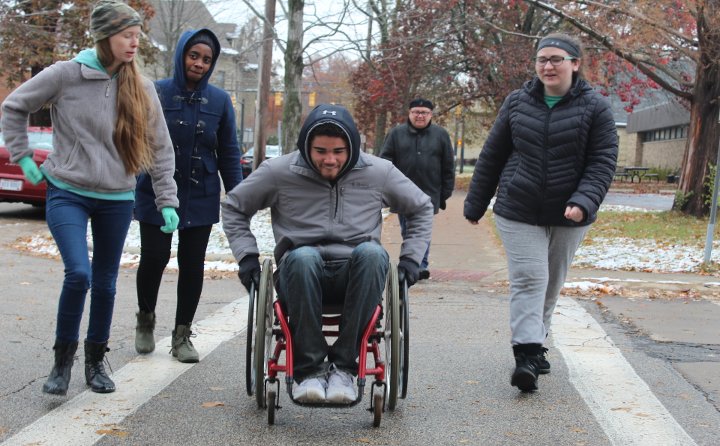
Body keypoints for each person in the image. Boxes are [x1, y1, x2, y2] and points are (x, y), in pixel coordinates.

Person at [0, 0, 179, 395]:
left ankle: (95, 363)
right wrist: (23, 157)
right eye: (126, 36)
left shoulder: (142, 87)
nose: (134, 43)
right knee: (79, 273)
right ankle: (61, 362)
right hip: (68, 191)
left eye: (137, 36)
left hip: (117, 197)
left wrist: (167, 200)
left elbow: (161, 148)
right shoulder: (66, 75)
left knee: (106, 282)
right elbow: (14, 107)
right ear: (104, 37)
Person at [222, 104, 433, 404]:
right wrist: (246, 258)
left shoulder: (379, 172)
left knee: (374, 254)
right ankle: (308, 369)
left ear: (353, 148)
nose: (329, 160)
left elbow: (421, 207)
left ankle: (345, 368)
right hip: (300, 273)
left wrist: (411, 259)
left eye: (338, 151)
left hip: (357, 274)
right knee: (303, 256)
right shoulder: (279, 172)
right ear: (306, 145)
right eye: (320, 151)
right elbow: (233, 207)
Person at [463, 33, 617, 392]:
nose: (548, 66)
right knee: (530, 278)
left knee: (550, 283)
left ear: (575, 64)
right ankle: (527, 355)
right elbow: (493, 154)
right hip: (518, 207)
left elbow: (602, 161)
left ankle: (537, 341)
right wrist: (476, 203)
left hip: (570, 212)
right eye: (542, 59)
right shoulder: (517, 102)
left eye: (556, 59)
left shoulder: (596, 107)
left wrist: (584, 201)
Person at [133, 29, 242, 363]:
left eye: (207, 59)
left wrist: (238, 196)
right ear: (182, 56)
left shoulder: (221, 101)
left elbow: (229, 151)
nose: (199, 63)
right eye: (194, 56)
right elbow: (137, 139)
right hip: (156, 188)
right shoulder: (155, 91)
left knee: (192, 264)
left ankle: (182, 335)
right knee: (154, 257)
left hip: (202, 193)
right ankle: (146, 320)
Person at [380, 98, 455, 280]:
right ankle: (412, 262)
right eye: (416, 112)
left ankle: (420, 265)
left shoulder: (441, 135)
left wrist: (444, 193)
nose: (420, 116)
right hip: (402, 193)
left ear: (430, 115)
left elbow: (448, 166)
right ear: (410, 113)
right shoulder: (396, 134)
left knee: (422, 229)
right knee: (407, 230)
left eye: (424, 113)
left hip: (429, 193)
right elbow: (385, 162)